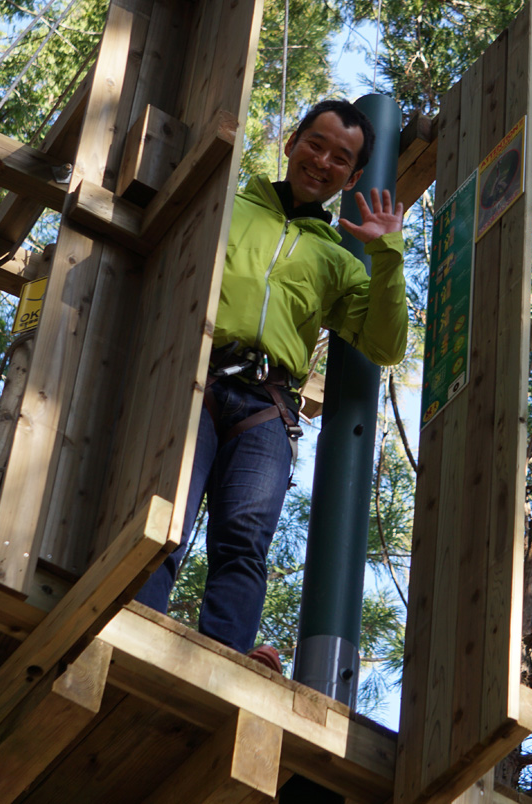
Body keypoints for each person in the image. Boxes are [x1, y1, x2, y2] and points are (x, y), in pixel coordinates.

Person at [134, 100, 408, 670]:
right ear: (291, 144)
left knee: (244, 539)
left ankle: (224, 659)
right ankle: (136, 622)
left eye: (341, 157)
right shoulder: (228, 207)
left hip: (265, 404)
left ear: (352, 177)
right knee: (167, 519)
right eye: (316, 143)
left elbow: (385, 345)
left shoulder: (337, 261)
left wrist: (385, 255)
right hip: (197, 378)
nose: (322, 161)